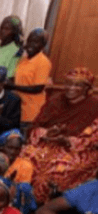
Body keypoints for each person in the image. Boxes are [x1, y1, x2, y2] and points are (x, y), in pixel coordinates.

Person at [21, 67, 98, 204]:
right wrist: (45, 133)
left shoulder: (94, 105)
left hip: (78, 148)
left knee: (57, 169)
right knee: (27, 159)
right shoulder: (56, 100)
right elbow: (36, 126)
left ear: (86, 88)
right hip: (48, 143)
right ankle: (23, 200)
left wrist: (69, 140)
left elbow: (93, 136)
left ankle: (51, 204)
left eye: (77, 85)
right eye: (68, 83)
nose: (71, 88)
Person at [9, 28, 51, 128]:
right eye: (29, 41)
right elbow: (17, 79)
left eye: (36, 42)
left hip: (32, 112)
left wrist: (13, 87)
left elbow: (38, 88)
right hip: (18, 109)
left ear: (43, 45)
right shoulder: (23, 60)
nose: (31, 44)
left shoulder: (43, 62)